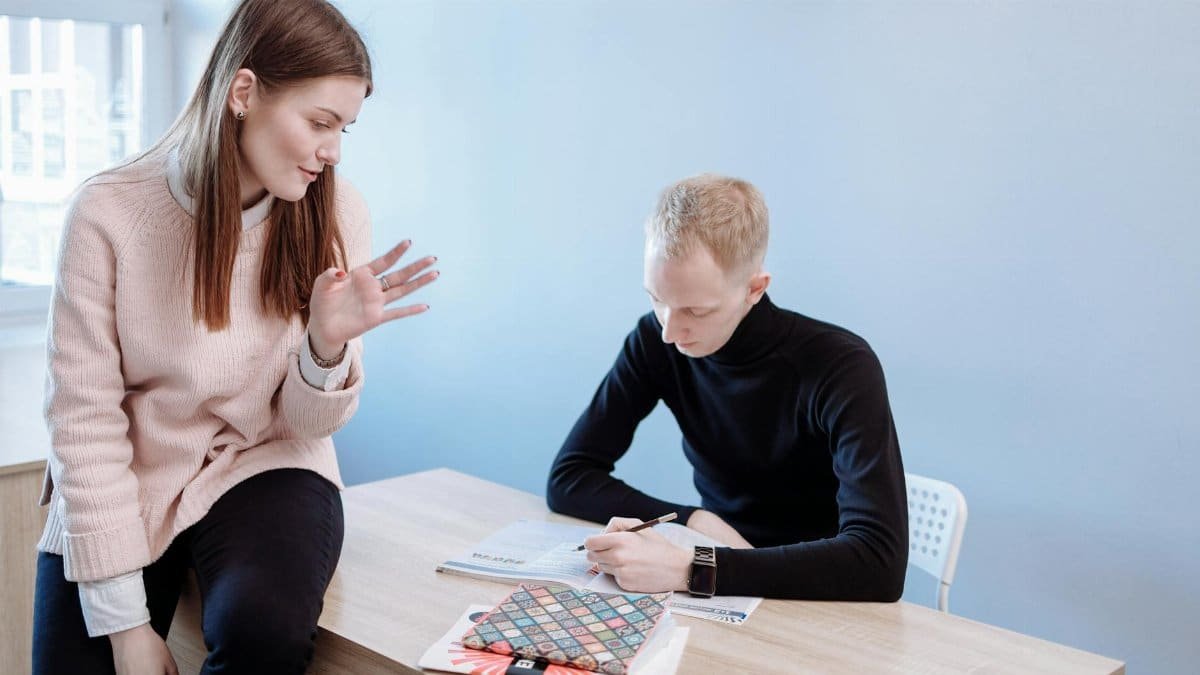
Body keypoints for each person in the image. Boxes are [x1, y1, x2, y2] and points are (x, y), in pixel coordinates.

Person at [31, 1, 438, 673]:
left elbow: (310, 422)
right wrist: (126, 625)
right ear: (243, 92)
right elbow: (83, 423)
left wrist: (324, 347)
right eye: (319, 123)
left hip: (268, 461)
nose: (332, 151)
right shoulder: (108, 214)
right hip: (132, 466)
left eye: (344, 129)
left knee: (262, 631)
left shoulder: (336, 212)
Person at [546, 174, 907, 601]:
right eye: (656, 299)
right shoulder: (655, 340)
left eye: (695, 311)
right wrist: (692, 521)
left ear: (754, 289)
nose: (669, 330)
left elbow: (879, 565)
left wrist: (693, 567)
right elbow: (568, 478)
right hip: (719, 589)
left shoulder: (841, 366)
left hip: (819, 596)